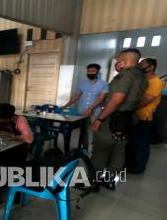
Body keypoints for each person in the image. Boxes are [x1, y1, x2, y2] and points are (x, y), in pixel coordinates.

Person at [90, 48, 147, 190]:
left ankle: (92, 182)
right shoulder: (141, 77)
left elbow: (116, 100)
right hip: (127, 119)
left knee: (100, 150)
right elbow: (141, 99)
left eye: (118, 61)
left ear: (125, 61)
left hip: (112, 119)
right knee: (119, 150)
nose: (116, 64)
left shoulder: (124, 76)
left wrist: (100, 119)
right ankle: (109, 180)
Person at [125, 58, 164, 173]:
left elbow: (147, 100)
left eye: (143, 64)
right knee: (131, 141)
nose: (140, 66)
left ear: (151, 67)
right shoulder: (141, 79)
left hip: (143, 117)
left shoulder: (156, 82)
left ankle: (139, 166)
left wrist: (129, 107)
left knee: (140, 143)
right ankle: (129, 163)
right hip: (133, 115)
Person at [61, 64, 109, 149]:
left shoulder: (104, 84)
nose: (90, 73)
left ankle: (96, 149)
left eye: (93, 71)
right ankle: (84, 148)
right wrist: (65, 105)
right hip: (82, 111)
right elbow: (76, 96)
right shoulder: (82, 84)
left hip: (96, 112)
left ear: (98, 72)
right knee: (83, 131)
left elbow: (101, 98)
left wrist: (90, 108)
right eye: (88, 71)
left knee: (95, 131)